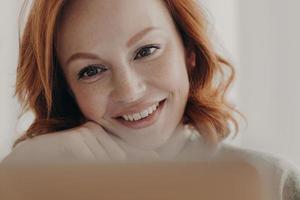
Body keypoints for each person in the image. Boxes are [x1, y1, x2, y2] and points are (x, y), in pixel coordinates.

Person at [1, 0, 299, 199]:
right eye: (91, 71)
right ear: (67, 91)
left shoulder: (273, 184)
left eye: (146, 51)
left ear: (189, 52)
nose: (130, 91)